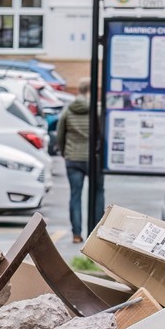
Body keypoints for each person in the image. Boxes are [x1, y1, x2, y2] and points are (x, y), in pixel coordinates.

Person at [50, 78, 97, 242]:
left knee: (75, 196)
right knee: (97, 194)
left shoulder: (68, 111)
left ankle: (76, 234)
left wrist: (65, 152)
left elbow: (60, 134)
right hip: (93, 159)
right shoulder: (95, 110)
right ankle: (95, 234)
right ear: (90, 91)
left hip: (73, 158)